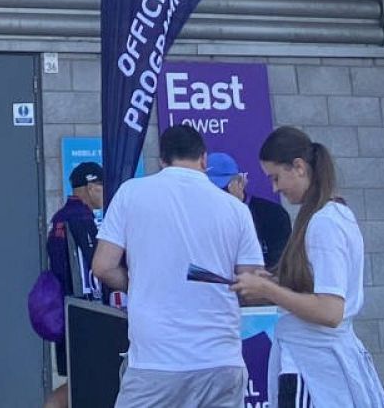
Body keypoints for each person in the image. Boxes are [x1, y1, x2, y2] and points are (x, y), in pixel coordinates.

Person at [90, 125, 264, 408]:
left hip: (156, 361)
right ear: (204, 159)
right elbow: (253, 283)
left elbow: (103, 266)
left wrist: (140, 281)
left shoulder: (131, 193)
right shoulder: (236, 209)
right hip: (220, 360)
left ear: (162, 160)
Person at [230, 126, 384, 408]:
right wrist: (274, 282)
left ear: (299, 167)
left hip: (316, 370)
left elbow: (330, 311)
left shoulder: (324, 222)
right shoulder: (329, 215)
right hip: (316, 362)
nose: (274, 188)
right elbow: (315, 290)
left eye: (276, 177)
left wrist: (268, 288)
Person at [44, 161, 105, 408]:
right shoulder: (79, 218)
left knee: (80, 382)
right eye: (102, 185)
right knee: (84, 384)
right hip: (82, 316)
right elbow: (94, 269)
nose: (105, 191)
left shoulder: (61, 218)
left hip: (67, 313)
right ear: (90, 187)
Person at [207, 152, 292, 269]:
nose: (217, 195)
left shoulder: (273, 214)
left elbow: (280, 266)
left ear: (240, 182)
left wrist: (236, 210)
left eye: (223, 189)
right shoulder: (201, 216)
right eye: (209, 190)